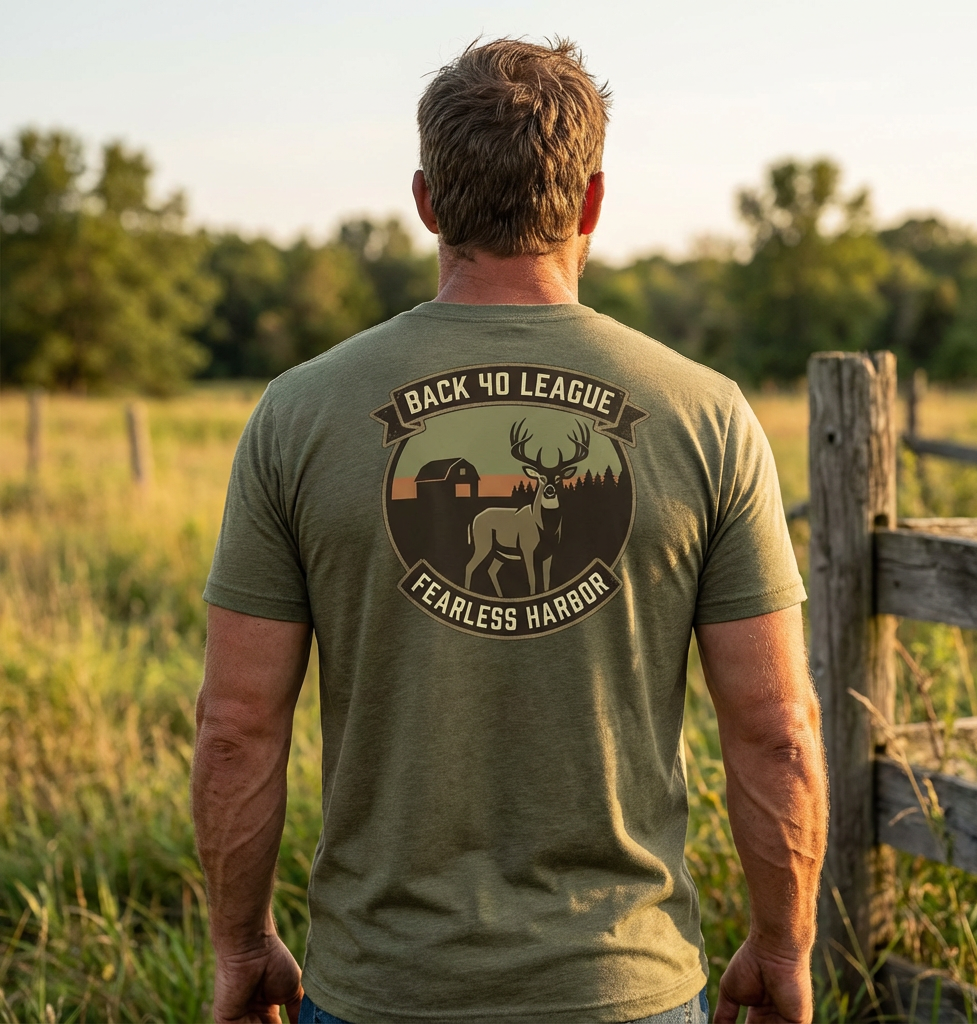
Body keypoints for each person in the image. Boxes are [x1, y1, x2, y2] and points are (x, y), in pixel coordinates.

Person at [191, 37, 828, 1024]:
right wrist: (783, 946)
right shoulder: (705, 414)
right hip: (624, 986)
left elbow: (233, 726)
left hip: (378, 989)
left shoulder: (297, 413)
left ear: (427, 202)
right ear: (591, 205)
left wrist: (239, 944)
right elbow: (777, 729)